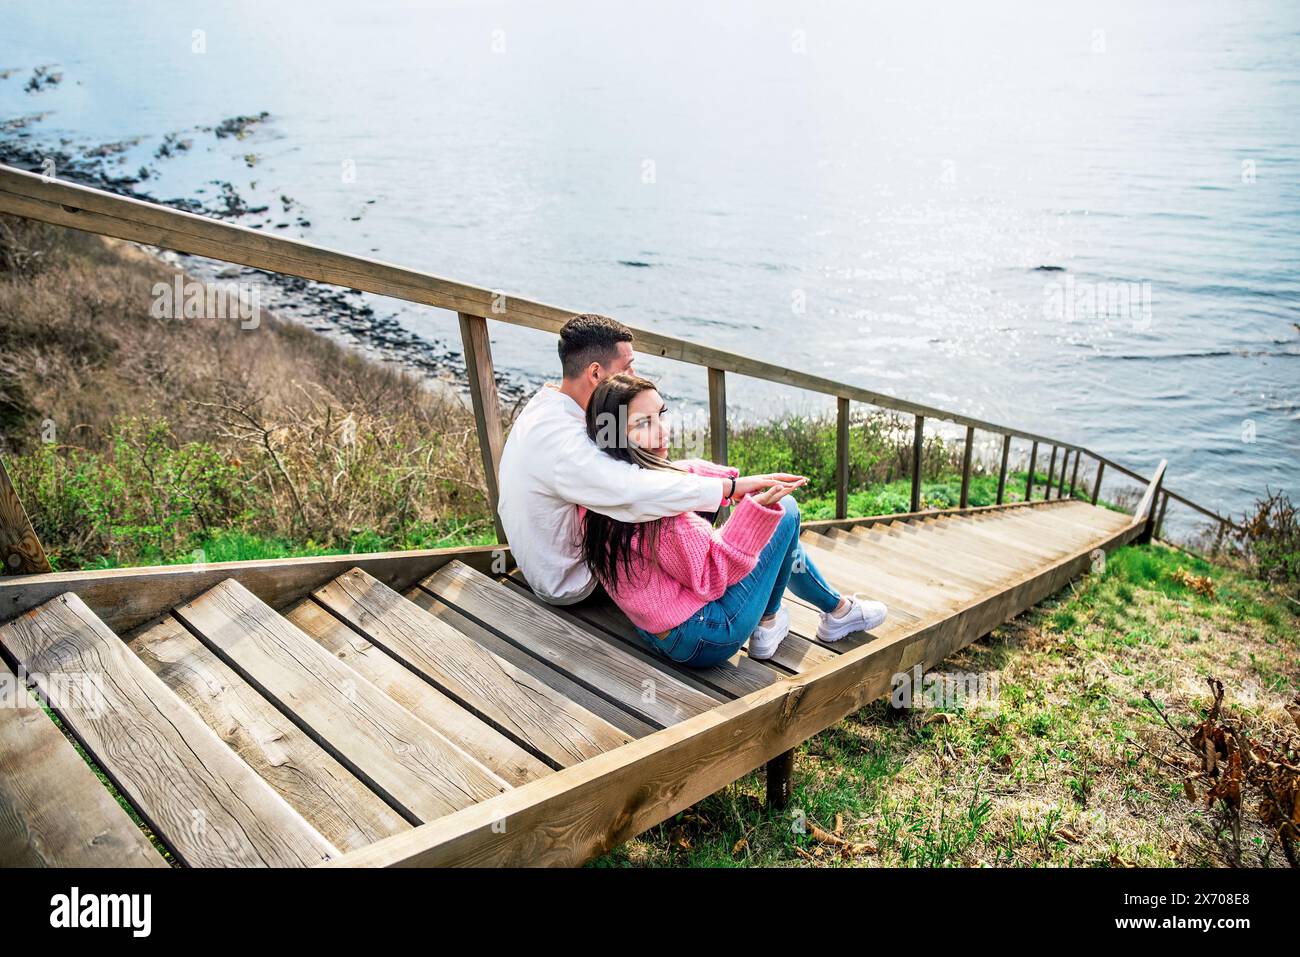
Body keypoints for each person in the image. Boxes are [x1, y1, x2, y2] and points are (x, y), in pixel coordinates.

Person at [578, 372, 888, 667]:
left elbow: (672, 477)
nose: (661, 430)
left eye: (662, 414)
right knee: (786, 510)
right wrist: (754, 516)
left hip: (654, 626)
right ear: (616, 433)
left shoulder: (599, 487)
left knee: (779, 532)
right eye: (644, 423)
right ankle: (783, 618)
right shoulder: (664, 516)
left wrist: (731, 486)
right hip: (705, 638)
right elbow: (713, 578)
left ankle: (830, 610)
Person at [496, 313, 802, 604]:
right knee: (768, 514)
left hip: (549, 562)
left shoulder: (550, 404)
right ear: (595, 373)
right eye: (628, 367)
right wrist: (729, 488)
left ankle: (816, 602)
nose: (634, 376)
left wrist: (722, 484)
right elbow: (631, 491)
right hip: (573, 582)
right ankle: (760, 604)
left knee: (678, 472)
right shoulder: (565, 444)